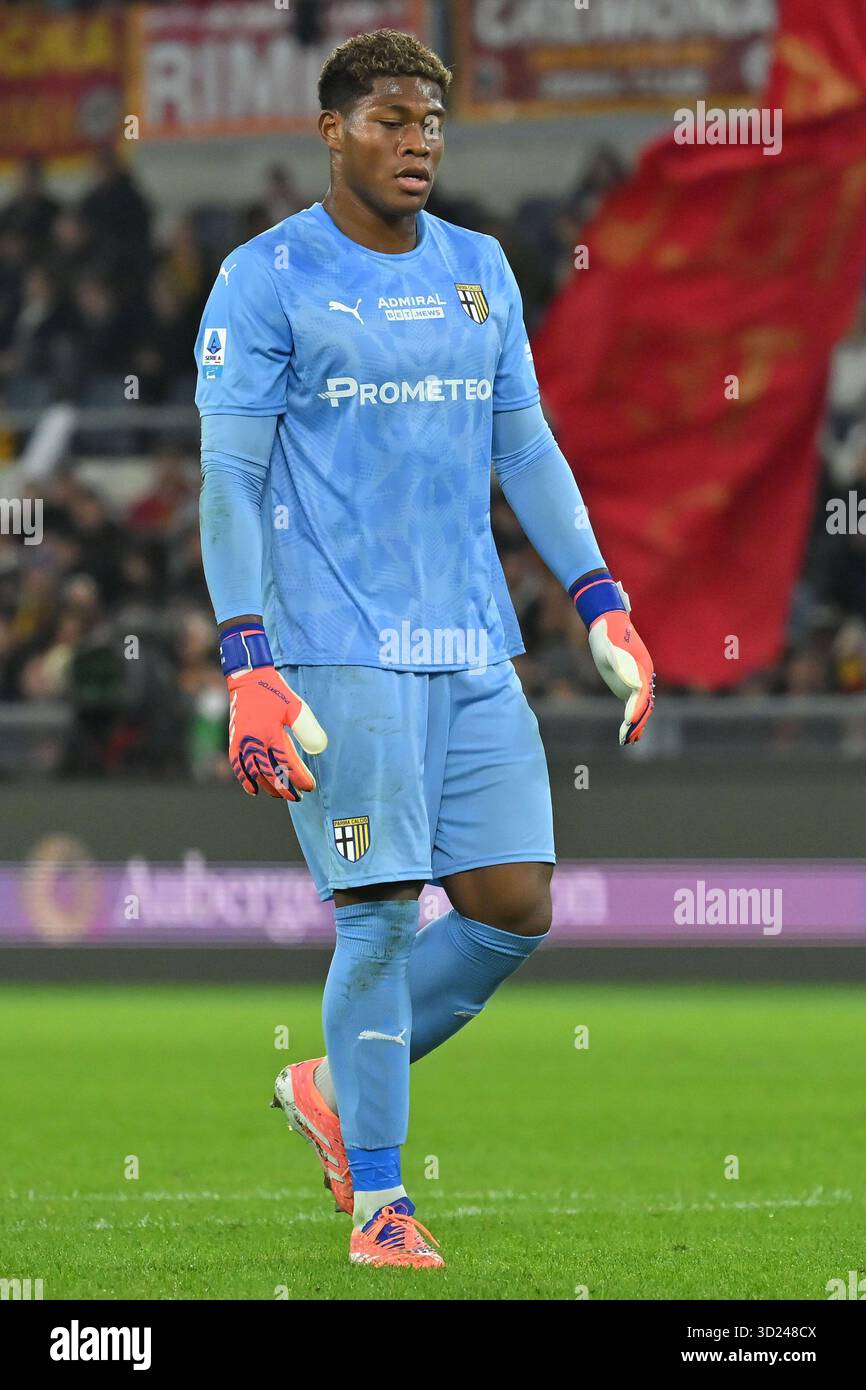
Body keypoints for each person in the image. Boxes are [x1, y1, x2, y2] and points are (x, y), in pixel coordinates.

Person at [195, 29, 654, 1271]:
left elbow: (527, 449)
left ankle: (333, 1086)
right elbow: (229, 480)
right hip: (334, 649)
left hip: (471, 643)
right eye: (392, 122)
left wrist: (598, 595)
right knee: (382, 917)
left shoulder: (480, 268)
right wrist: (248, 657)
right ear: (333, 131)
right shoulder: (264, 277)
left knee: (512, 904)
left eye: (433, 124)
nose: (417, 144)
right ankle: (380, 1205)